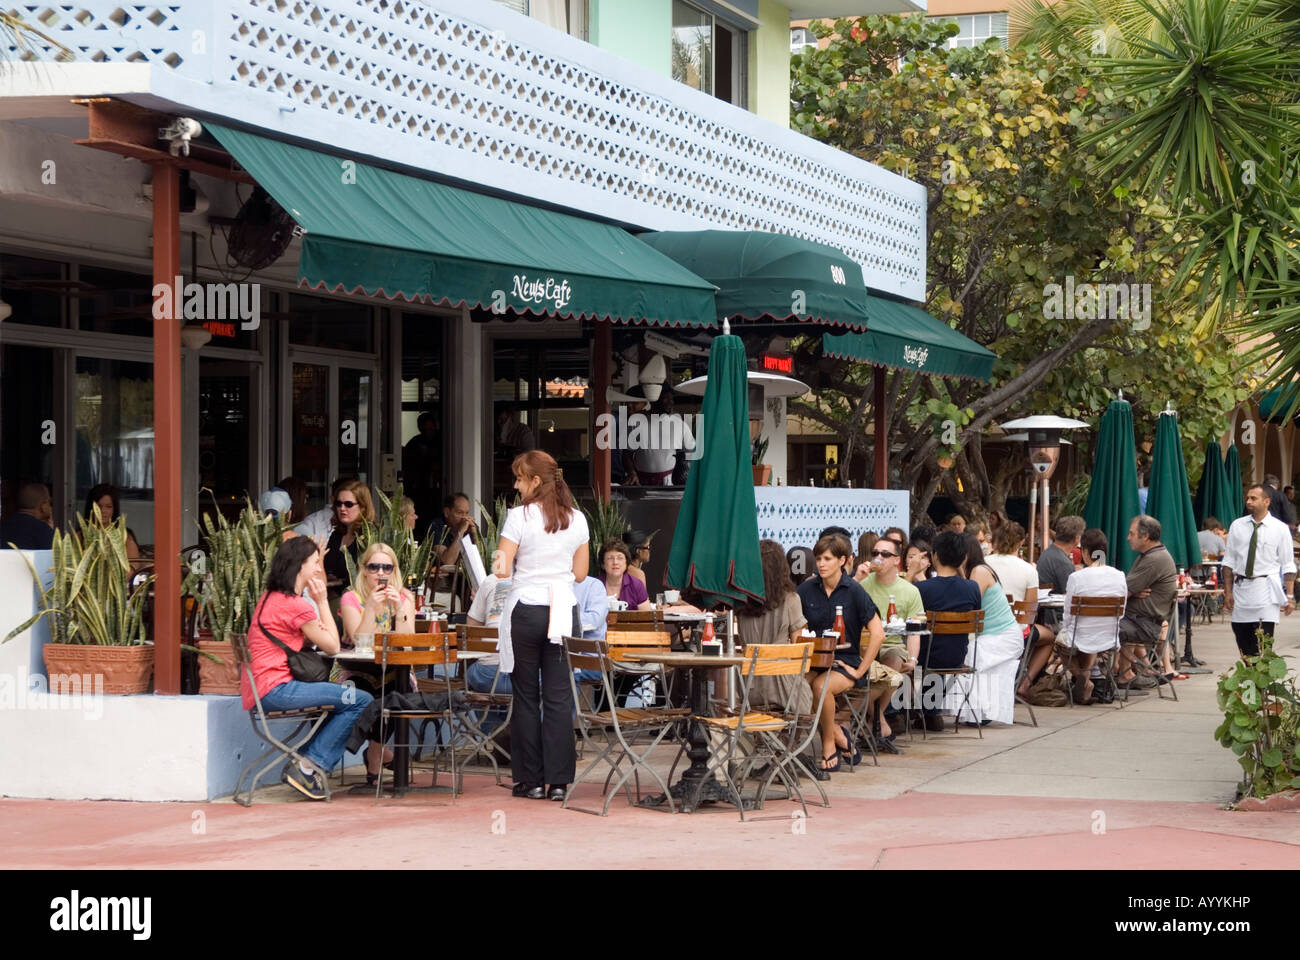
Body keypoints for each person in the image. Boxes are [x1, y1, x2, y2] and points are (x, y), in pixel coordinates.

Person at [242, 536, 373, 800]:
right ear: (299, 565)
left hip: (259, 690)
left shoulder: (269, 598)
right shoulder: (296, 606)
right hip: (277, 690)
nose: (318, 569)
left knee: (341, 699)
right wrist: (322, 600)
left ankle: (308, 765)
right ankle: (308, 766)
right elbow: (334, 647)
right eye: (315, 562)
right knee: (361, 699)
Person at [492, 450, 590, 802]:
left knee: (526, 697)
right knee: (560, 697)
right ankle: (560, 782)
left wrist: (503, 559)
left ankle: (530, 780)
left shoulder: (518, 516)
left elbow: (501, 568)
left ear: (535, 481)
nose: (516, 485)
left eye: (520, 478)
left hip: (527, 609)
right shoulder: (578, 519)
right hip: (563, 609)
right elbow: (579, 574)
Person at [796, 534, 884, 773]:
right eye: (818, 558)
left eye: (827, 558)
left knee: (820, 687)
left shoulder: (854, 590)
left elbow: (878, 634)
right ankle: (838, 734)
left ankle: (827, 744)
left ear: (842, 560)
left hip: (845, 661)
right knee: (799, 687)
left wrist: (860, 670)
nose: (821, 564)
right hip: (814, 661)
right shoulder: (806, 589)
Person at [337, 542, 415, 785]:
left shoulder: (404, 597)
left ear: (395, 571)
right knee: (367, 695)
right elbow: (360, 642)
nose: (381, 573)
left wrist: (400, 609)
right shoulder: (351, 598)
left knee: (398, 694)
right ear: (364, 570)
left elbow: (408, 644)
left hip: (394, 671)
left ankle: (374, 754)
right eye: (374, 567)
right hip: (357, 670)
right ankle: (380, 755)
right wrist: (371, 608)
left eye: (387, 568)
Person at [854, 533, 923, 749]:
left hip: (892, 644)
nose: (878, 557)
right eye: (875, 553)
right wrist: (856, 579)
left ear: (896, 560)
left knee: (893, 663)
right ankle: (878, 720)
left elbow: (915, 631)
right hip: (863, 645)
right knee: (870, 666)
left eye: (885, 554)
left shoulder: (910, 591)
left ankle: (873, 717)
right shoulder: (862, 584)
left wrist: (912, 659)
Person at [914, 532, 982, 732]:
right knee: (939, 649)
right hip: (957, 655)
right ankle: (929, 711)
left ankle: (916, 711)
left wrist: (911, 574)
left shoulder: (922, 588)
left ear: (935, 556)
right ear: (963, 558)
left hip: (925, 657)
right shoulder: (972, 588)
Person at [955, 534, 1024, 726]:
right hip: (992, 634)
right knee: (967, 651)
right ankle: (975, 710)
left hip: (1004, 636)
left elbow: (968, 603)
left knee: (972, 654)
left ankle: (978, 711)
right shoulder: (973, 572)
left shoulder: (979, 571)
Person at [1054, 528, 1129, 703]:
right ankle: (1086, 679)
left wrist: (1066, 629)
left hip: (1079, 637)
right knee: (1089, 637)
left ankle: (1082, 678)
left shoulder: (1076, 577)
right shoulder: (1119, 576)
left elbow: (1068, 615)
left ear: (1086, 552)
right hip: (1109, 638)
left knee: (1060, 641)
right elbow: (1122, 612)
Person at [1223, 484, 1297, 658]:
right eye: (1247, 498)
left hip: (1266, 590)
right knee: (1243, 644)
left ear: (1266, 501)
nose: (1248, 501)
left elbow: (1288, 564)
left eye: (1253, 498)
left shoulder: (1279, 529)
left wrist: (1290, 597)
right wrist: (1228, 592)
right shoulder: (1237, 526)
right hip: (1242, 589)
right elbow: (1228, 562)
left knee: (1263, 647)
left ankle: (1261, 684)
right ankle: (1249, 682)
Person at [1115, 515, 1178, 688]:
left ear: (1146, 536)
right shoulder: (1150, 555)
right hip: (1139, 620)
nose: (1128, 538)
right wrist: (1133, 592)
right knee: (1102, 623)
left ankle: (1119, 674)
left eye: (1132, 533)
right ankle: (1122, 671)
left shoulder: (1153, 559)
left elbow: (1122, 592)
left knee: (1098, 626)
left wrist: (1131, 592)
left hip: (1142, 624)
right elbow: (1127, 588)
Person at [322, 480, 375, 599]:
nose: (342, 508)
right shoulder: (337, 535)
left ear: (362, 507)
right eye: (338, 503)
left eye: (348, 504)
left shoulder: (369, 538)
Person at [403, 411, 441, 533]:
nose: (429, 432)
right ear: (420, 428)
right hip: (420, 489)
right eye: (425, 429)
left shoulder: (443, 441)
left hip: (438, 488)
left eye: (431, 428)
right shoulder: (415, 443)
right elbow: (407, 465)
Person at [83, 483, 141, 562]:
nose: (103, 511)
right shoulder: (81, 535)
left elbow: (133, 569)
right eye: (99, 506)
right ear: (91, 508)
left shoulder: (125, 537)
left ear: (114, 509)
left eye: (108, 506)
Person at [600, 539, 652, 611]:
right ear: (603, 564)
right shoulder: (594, 586)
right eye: (610, 558)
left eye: (620, 558)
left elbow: (647, 617)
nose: (615, 562)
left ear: (626, 562)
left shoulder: (636, 585)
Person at [1, 481, 54, 550]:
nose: (51, 508)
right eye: (49, 503)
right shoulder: (42, 530)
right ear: (42, 506)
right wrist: (49, 530)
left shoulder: (4, 527)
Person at [433, 492, 477, 567]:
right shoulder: (436, 526)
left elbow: (481, 562)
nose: (465, 518)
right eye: (460, 513)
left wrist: (475, 536)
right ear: (447, 512)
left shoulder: (470, 528)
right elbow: (447, 562)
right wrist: (461, 532)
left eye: (466, 513)